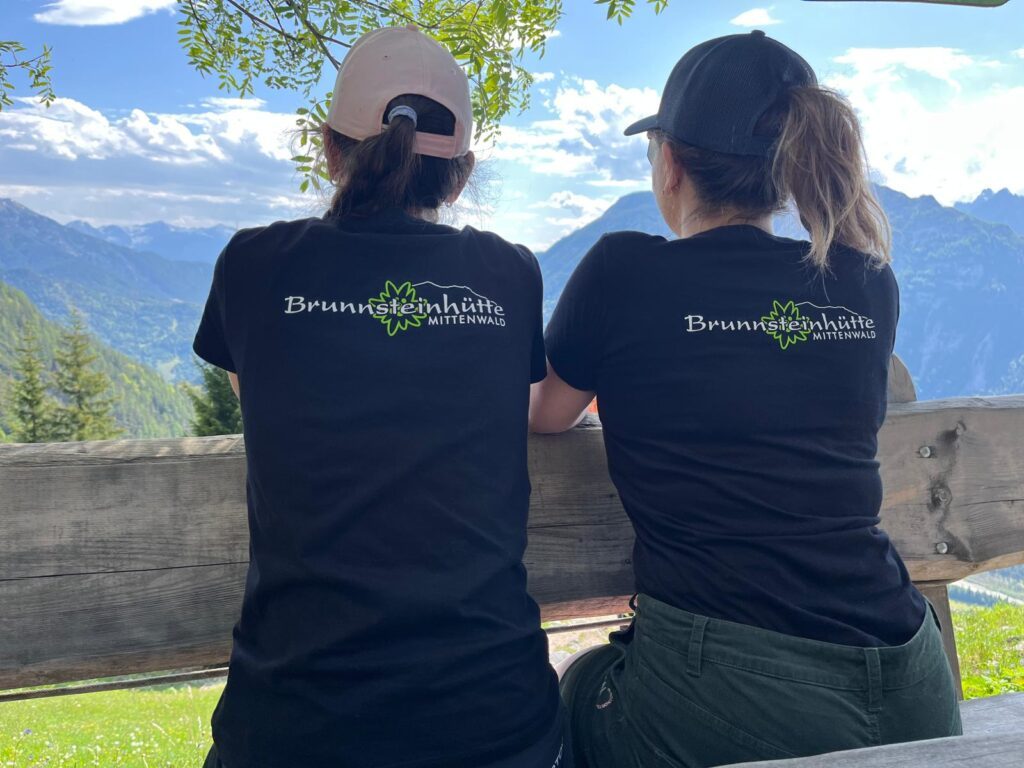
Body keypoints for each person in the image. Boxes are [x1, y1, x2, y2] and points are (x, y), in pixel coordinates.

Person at [529, 30, 961, 768]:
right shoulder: (864, 281)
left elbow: (545, 413)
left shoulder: (622, 273)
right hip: (910, 677)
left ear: (669, 164)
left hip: (733, 689)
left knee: (577, 691)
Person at [194, 25, 568, 768]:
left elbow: (257, 392)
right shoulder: (508, 274)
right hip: (495, 725)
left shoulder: (254, 264)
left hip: (291, 729)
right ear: (459, 176)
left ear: (329, 150)